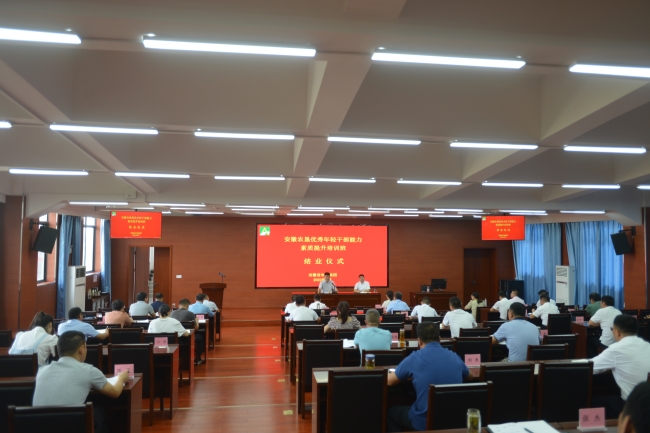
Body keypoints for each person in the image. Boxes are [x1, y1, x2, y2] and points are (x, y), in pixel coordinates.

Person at [33, 331, 130, 433]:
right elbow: (115, 392)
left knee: (103, 427)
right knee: (99, 410)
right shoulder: (88, 370)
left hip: (40, 427)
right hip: (70, 427)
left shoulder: (42, 371)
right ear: (81, 349)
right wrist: (121, 378)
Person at [387, 322, 473, 432]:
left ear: (419, 341)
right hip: (453, 421)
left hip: (424, 422)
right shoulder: (454, 356)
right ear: (440, 339)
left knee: (392, 413)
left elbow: (390, 381)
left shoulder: (414, 358)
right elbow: (470, 376)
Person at [591, 315, 650, 419]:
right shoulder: (647, 346)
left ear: (617, 332)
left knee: (594, 401)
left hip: (632, 409)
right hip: (646, 406)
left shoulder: (615, 349)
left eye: (612, 329)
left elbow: (590, 367)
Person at [171, 298, 204, 365]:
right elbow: (196, 328)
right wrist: (197, 321)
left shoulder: (172, 313)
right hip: (187, 337)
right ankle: (198, 358)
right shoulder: (190, 313)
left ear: (179, 305)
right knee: (200, 337)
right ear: (187, 306)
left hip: (174, 338)